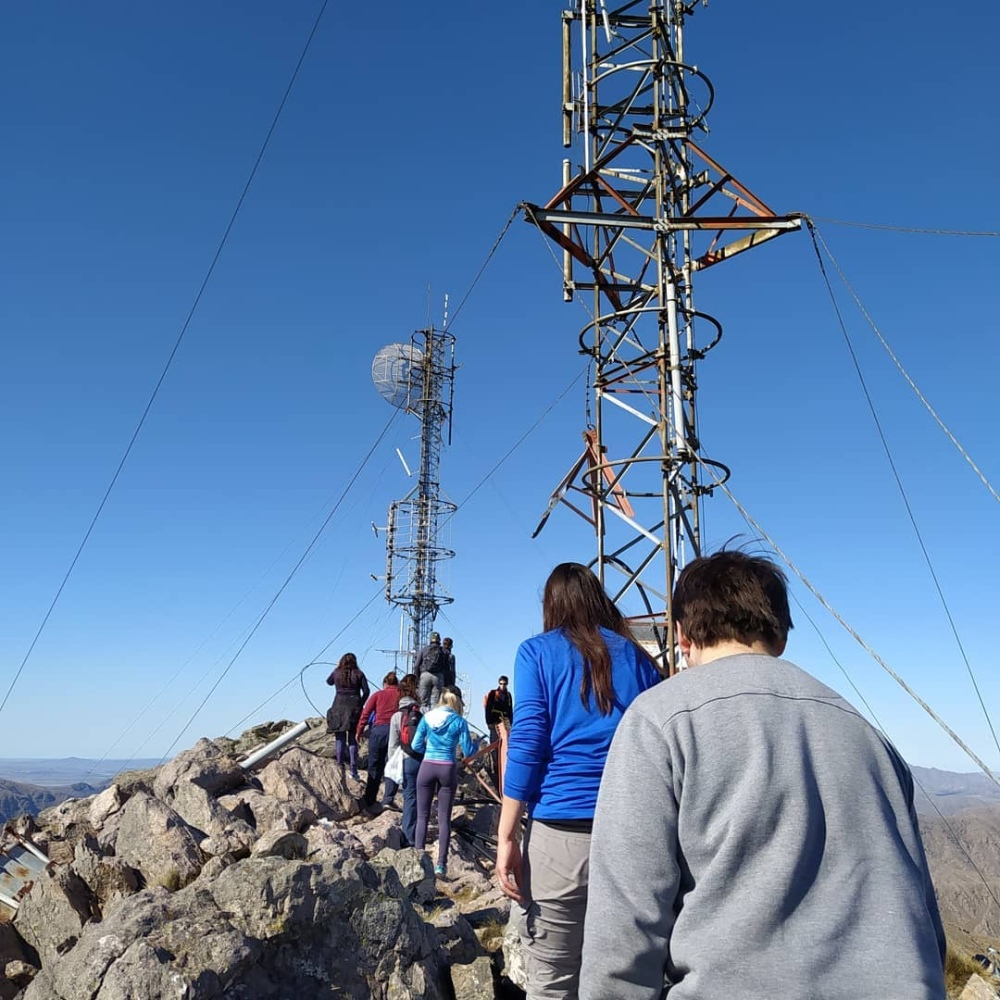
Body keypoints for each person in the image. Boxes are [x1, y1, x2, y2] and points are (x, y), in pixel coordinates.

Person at [579, 550, 947, 1000]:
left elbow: (622, 931)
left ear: (682, 636)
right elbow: (924, 917)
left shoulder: (660, 721)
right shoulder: (869, 734)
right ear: (780, 636)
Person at [495, 562, 661, 999]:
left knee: (552, 981)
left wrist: (506, 834)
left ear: (550, 605)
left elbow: (528, 741)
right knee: (629, 980)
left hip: (561, 837)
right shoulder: (639, 658)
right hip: (634, 834)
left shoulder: (536, 652)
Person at [411, 686, 478, 877]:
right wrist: (475, 745)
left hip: (427, 766)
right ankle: (441, 865)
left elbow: (415, 745)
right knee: (443, 820)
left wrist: (429, 753)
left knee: (422, 816)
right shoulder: (459, 722)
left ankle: (418, 858)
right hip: (447, 767)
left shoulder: (427, 717)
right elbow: (468, 752)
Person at [384, 673, 423, 836]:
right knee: (423, 797)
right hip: (422, 760)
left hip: (406, 760)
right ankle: (421, 832)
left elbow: (393, 745)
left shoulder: (396, 716)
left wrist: (393, 767)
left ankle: (409, 836)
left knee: (410, 798)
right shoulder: (422, 713)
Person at [356, 671, 401, 810]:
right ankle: (388, 799)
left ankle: (370, 798)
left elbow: (366, 713)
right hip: (395, 731)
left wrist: (359, 730)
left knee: (374, 764)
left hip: (378, 731)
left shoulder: (378, 695)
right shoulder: (401, 695)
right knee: (392, 765)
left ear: (385, 683)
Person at [325, 652, 370, 781]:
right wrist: (360, 703)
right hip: (354, 707)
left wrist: (336, 668)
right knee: (352, 739)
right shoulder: (359, 674)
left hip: (338, 706)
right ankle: (353, 769)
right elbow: (366, 691)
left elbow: (328, 682)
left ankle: (340, 765)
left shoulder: (337, 673)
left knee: (339, 738)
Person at [483, 675, 513, 787]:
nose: (502, 686)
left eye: (504, 684)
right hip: (495, 722)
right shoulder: (493, 694)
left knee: (506, 748)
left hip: (504, 722)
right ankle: (496, 770)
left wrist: (511, 723)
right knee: (495, 749)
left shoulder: (508, 696)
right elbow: (488, 709)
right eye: (501, 683)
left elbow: (510, 710)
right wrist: (489, 723)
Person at [414, 631, 446, 710]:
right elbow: (446, 667)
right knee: (436, 703)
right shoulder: (443, 651)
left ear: (430, 639)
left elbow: (416, 665)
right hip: (438, 676)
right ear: (439, 640)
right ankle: (434, 721)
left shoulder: (424, 650)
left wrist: (418, 678)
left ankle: (423, 720)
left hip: (425, 675)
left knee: (423, 702)